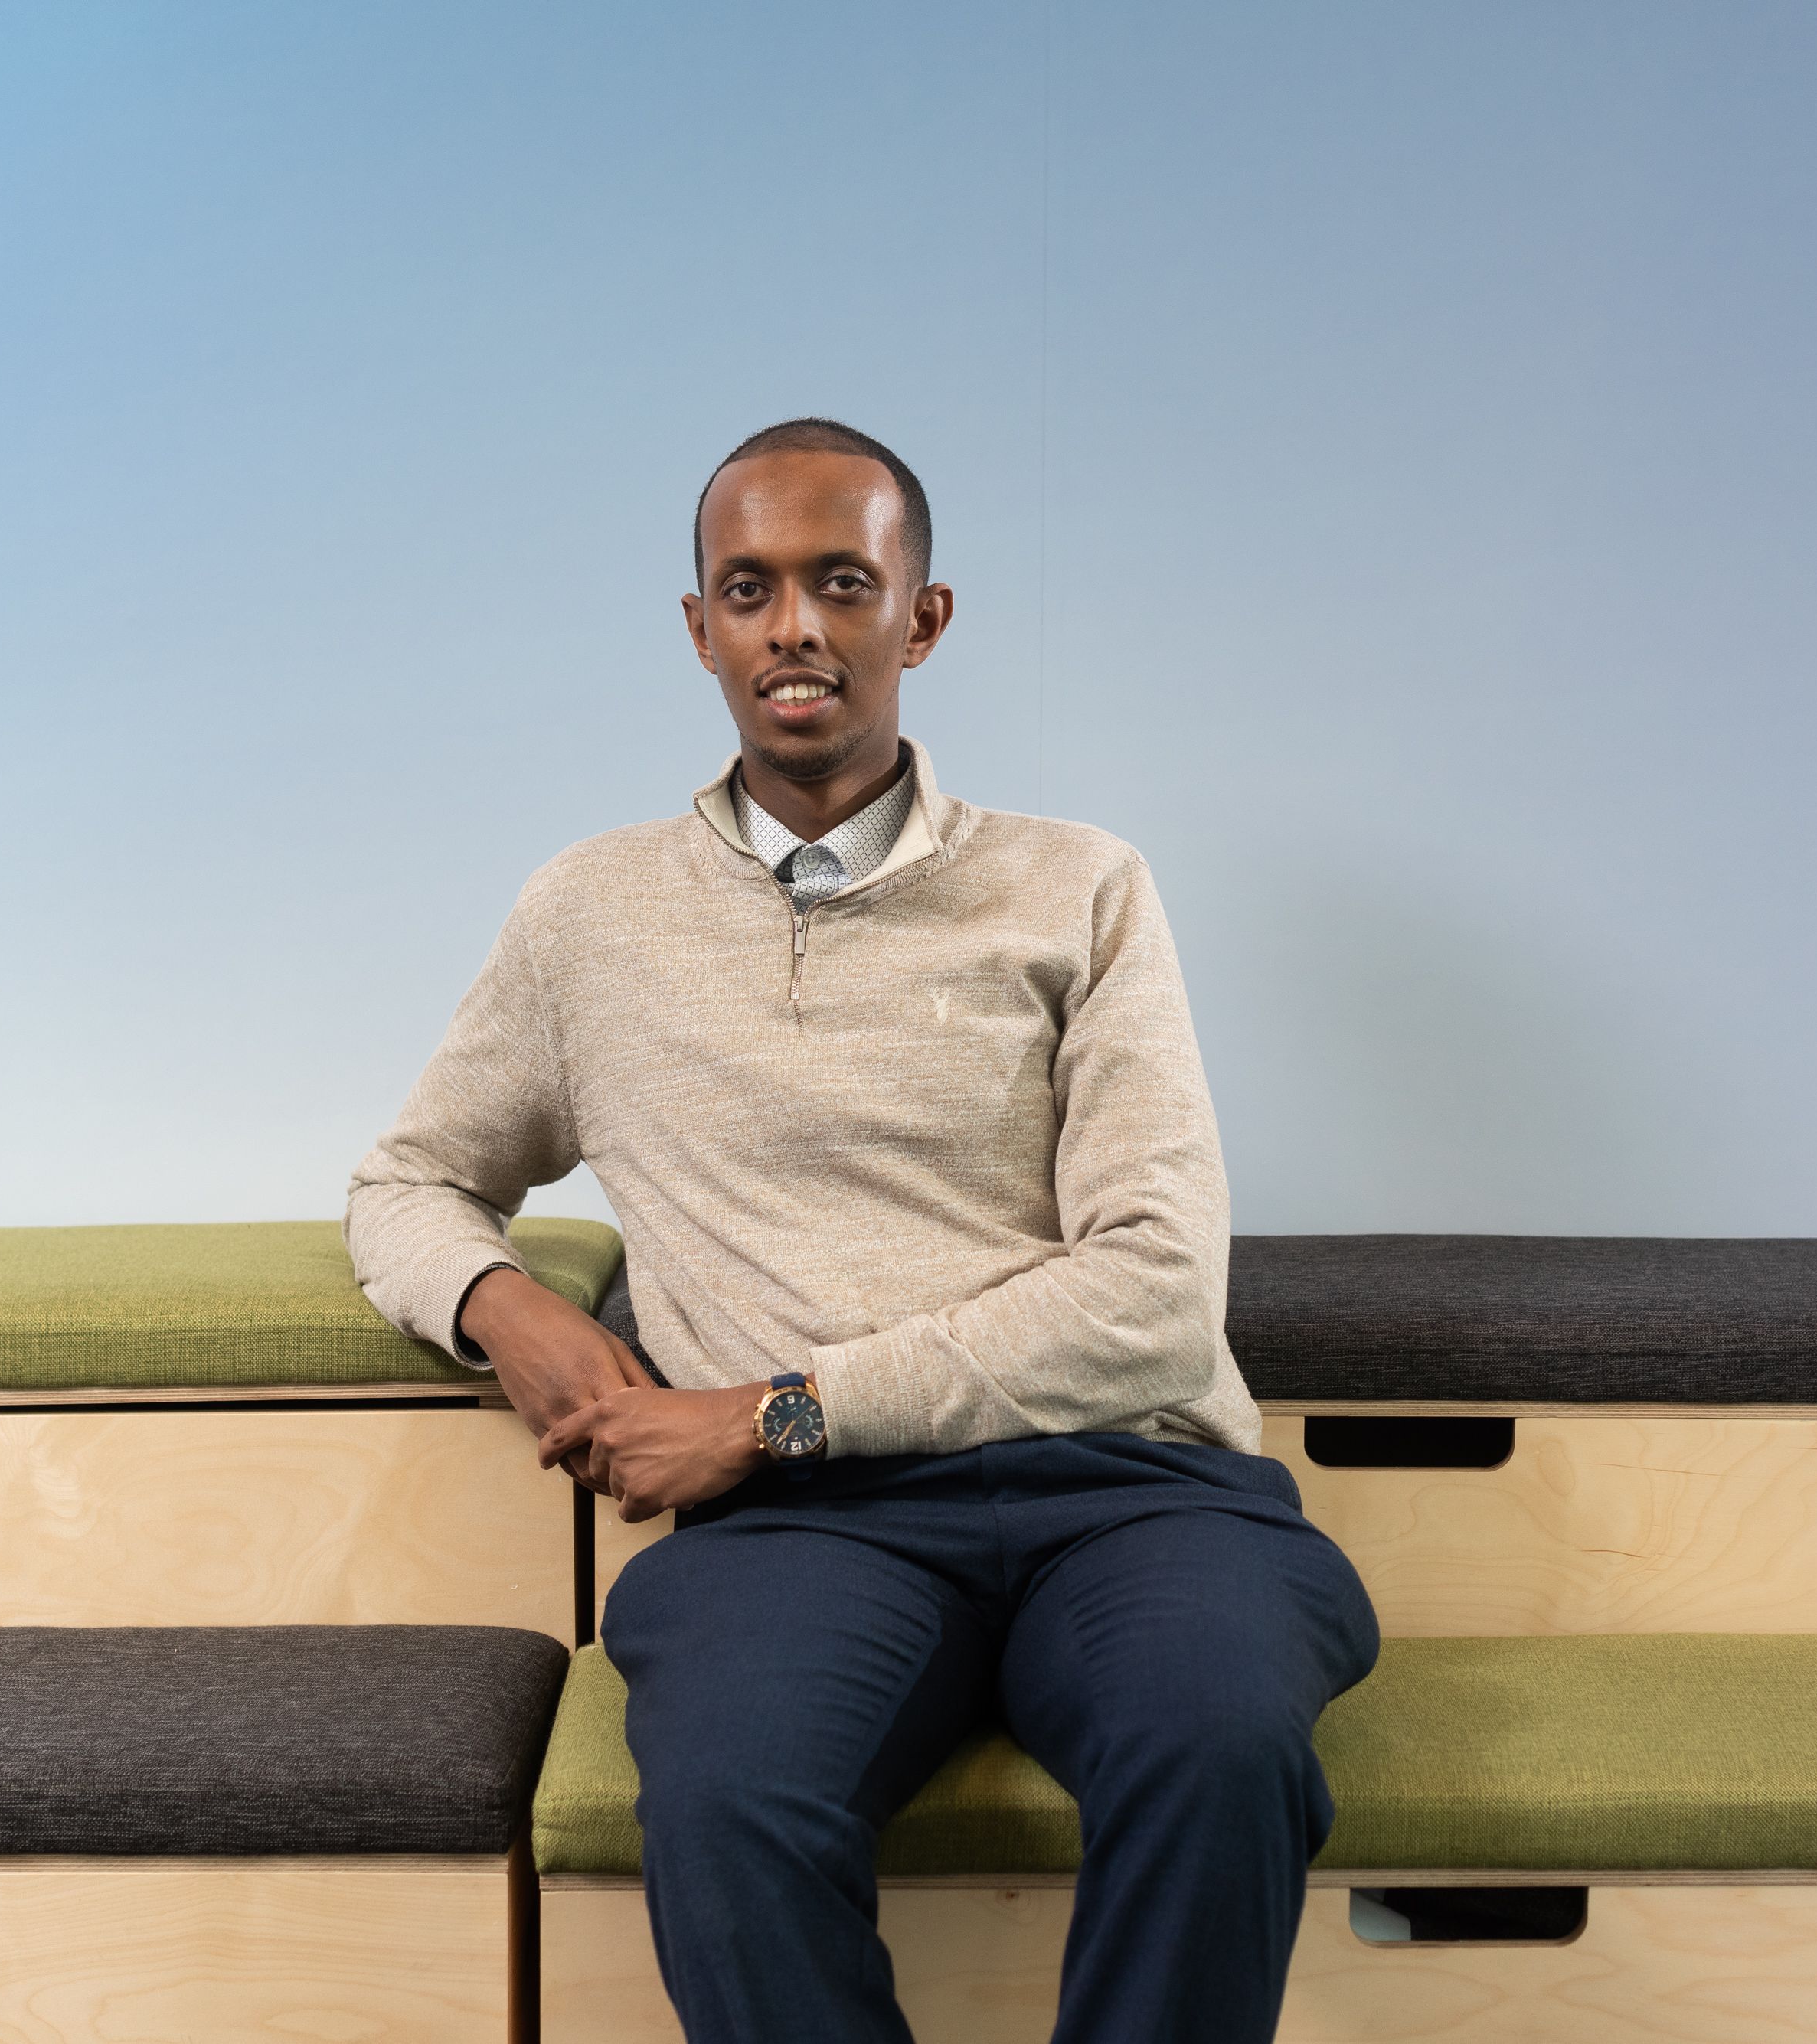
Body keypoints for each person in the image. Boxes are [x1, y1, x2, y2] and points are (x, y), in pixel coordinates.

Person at [346, 418, 1378, 2044]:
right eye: (748, 591)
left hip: (1127, 1490)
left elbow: (1159, 1294)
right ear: (698, 631)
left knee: (1221, 1747)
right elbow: (404, 1184)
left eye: (842, 582)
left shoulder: (1078, 888)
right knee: (729, 1798)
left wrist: (775, 1410)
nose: (796, 628)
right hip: (806, 1537)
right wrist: (503, 1306)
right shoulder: (588, 917)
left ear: (922, 616)